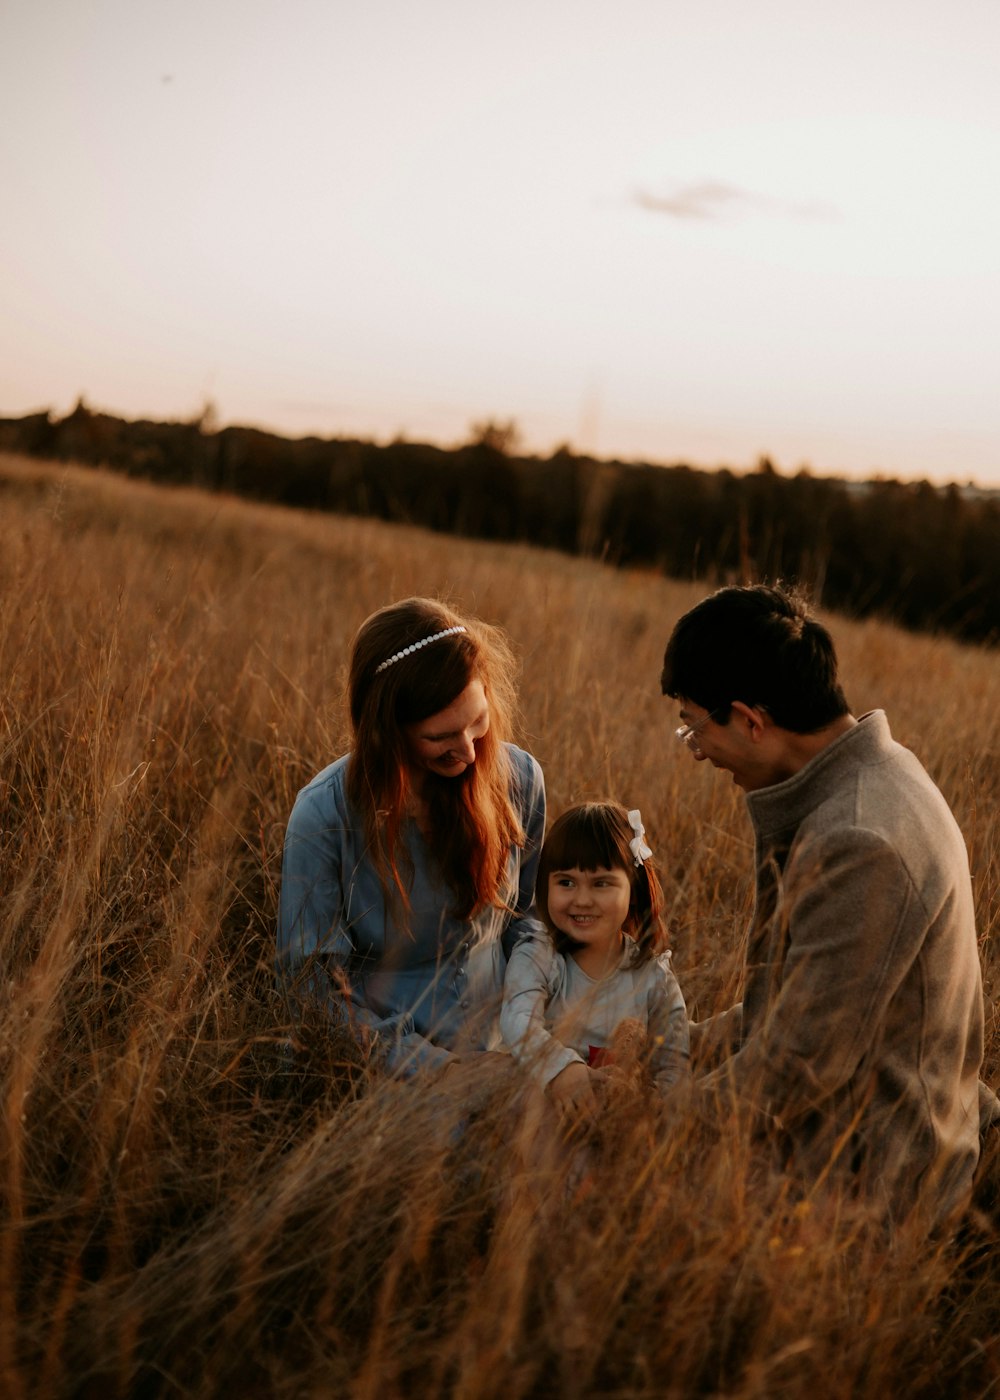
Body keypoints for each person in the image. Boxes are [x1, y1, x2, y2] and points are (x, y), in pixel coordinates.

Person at [660, 582, 989, 1226]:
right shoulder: (880, 772)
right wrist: (676, 1045)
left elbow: (794, 1067)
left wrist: (651, 1120)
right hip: (864, 1132)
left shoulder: (860, 839)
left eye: (695, 726)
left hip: (874, 1188)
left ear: (752, 720)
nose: (695, 749)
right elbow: (805, 1001)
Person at [277, 597, 546, 1079]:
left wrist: (532, 1036)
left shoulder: (521, 778)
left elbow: (528, 921)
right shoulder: (323, 815)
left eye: (478, 721)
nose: (468, 750)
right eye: (441, 736)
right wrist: (439, 1072)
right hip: (387, 1073)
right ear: (386, 731)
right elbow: (311, 994)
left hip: (510, 1053)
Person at [500, 801, 689, 1129]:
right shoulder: (539, 956)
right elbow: (518, 1021)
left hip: (620, 1117)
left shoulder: (653, 976)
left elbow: (673, 1063)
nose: (582, 899)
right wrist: (562, 1070)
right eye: (566, 882)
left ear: (634, 888)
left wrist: (652, 1115)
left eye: (601, 883)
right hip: (548, 1113)